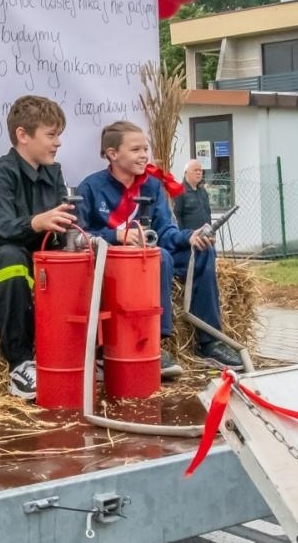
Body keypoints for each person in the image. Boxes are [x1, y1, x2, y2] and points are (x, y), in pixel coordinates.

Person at [76, 121, 242, 376]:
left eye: (145, 149)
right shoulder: (91, 187)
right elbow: (80, 236)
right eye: (135, 149)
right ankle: (153, 343)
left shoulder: (151, 186)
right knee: (160, 256)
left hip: (150, 255)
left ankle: (209, 342)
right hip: (112, 263)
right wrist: (116, 235)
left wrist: (189, 238)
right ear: (112, 154)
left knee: (201, 251)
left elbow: (165, 231)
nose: (143, 155)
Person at [0, 95, 78, 399]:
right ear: (23, 136)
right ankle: (20, 364)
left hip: (36, 253)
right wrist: (36, 222)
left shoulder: (53, 172)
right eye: (51, 135)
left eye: (59, 135)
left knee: (77, 260)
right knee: (13, 259)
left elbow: (58, 224)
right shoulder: (0, 173)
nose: (58, 143)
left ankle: (82, 352)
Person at [172, 160, 212, 232]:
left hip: (205, 237)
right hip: (188, 239)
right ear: (186, 173)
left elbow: (208, 213)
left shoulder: (203, 192)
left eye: (200, 170)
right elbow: (176, 216)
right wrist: (183, 237)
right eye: (195, 170)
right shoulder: (179, 191)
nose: (199, 173)